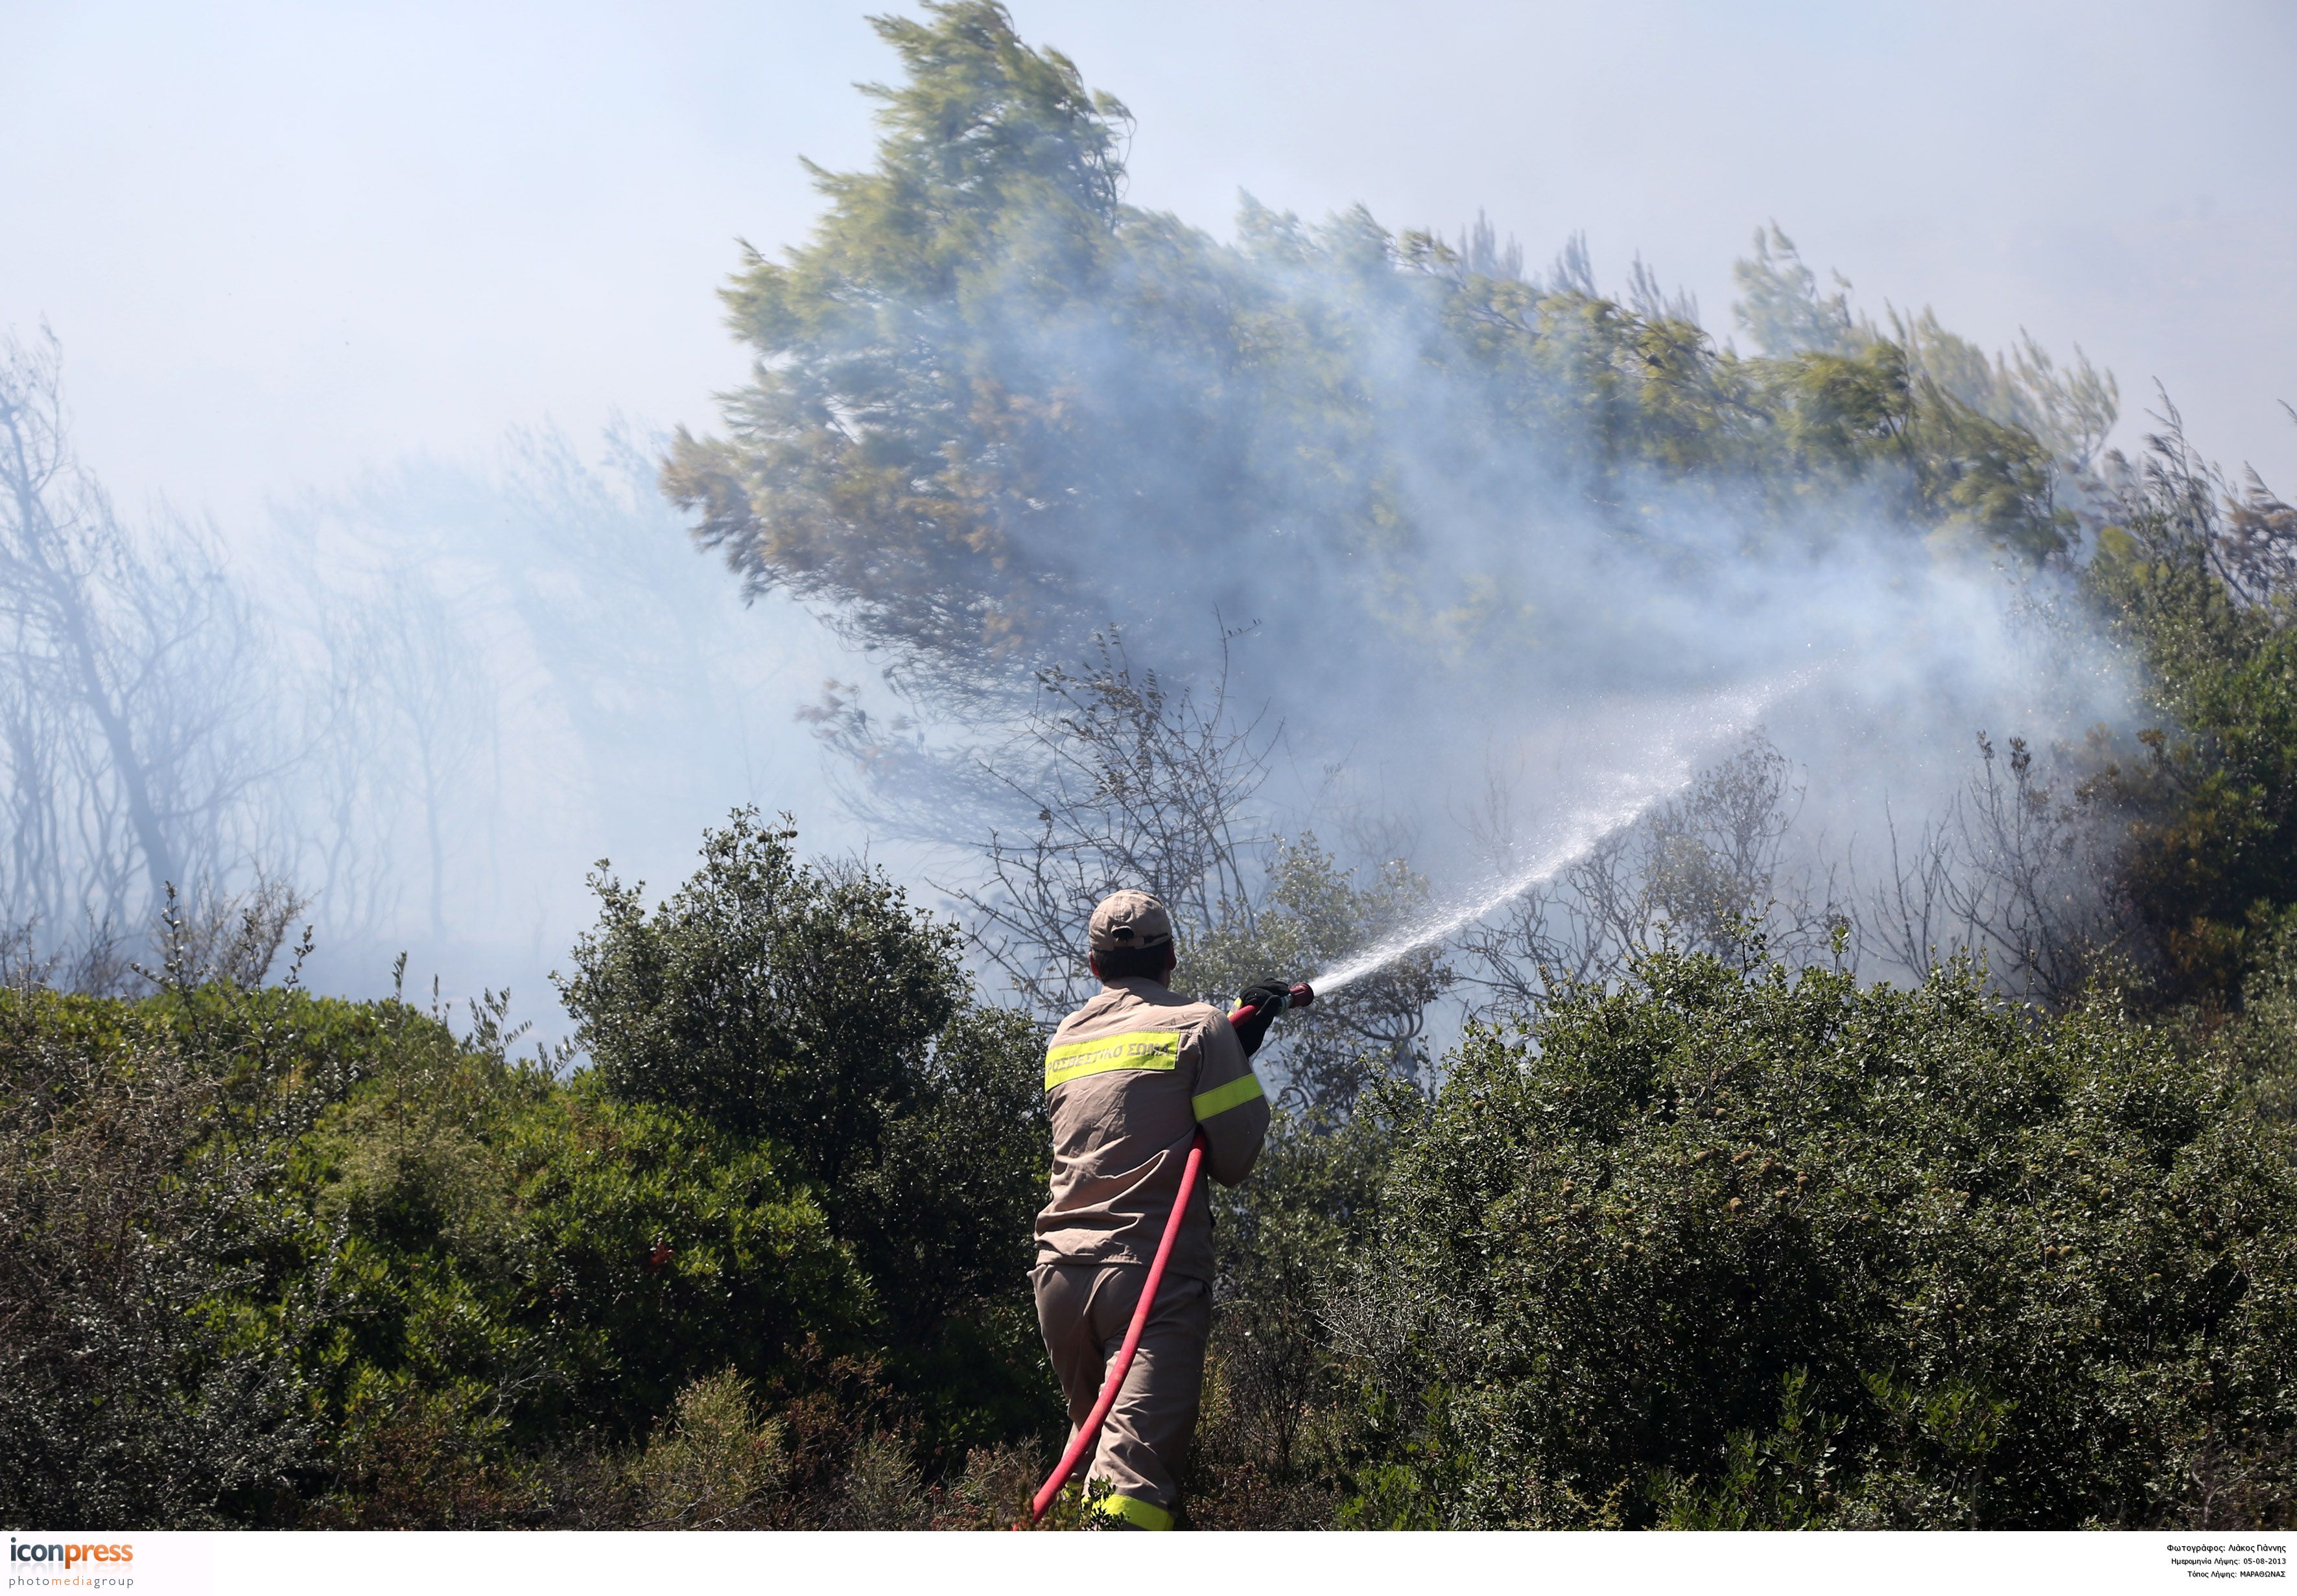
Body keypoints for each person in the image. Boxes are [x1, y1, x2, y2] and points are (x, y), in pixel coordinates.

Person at [1031, 889, 1288, 1530]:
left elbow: (1134, 1103)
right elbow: (1235, 1153)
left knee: (1093, 1453)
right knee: (1130, 1491)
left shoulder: (1064, 1038)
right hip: (1146, 1279)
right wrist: (1232, 1049)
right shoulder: (1201, 1026)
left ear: (1093, 967)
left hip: (1060, 1283)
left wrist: (1226, 1046)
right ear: (1173, 955)